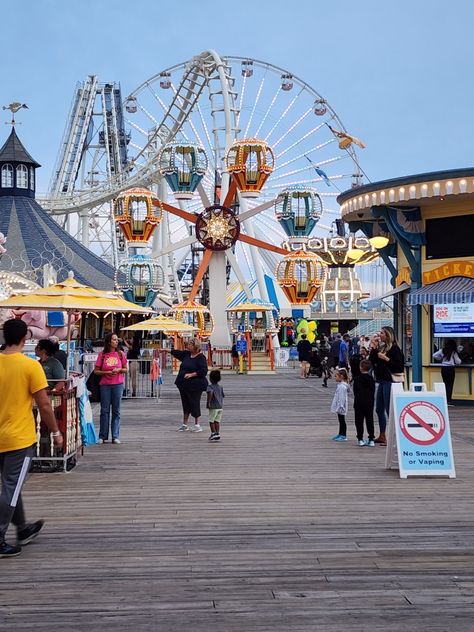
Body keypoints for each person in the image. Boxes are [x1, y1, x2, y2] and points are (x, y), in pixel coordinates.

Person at [0, 319, 63, 558]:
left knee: (9, 485)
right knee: (11, 488)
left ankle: (23, 529)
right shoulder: (30, 366)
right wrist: (55, 432)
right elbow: (44, 405)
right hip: (19, 437)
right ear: (25, 338)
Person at [369, 326, 405, 446]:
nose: (380, 335)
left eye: (382, 333)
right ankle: (383, 435)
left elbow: (399, 367)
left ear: (388, 335)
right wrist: (373, 348)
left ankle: (394, 436)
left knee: (390, 409)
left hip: (390, 381)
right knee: (379, 409)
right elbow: (371, 362)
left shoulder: (394, 349)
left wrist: (386, 359)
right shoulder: (382, 347)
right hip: (381, 381)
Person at [94, 333, 128, 444]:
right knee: (104, 410)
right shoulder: (102, 355)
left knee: (116, 410)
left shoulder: (120, 354)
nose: (116, 341)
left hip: (117, 384)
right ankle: (102, 435)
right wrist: (107, 372)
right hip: (105, 384)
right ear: (109, 341)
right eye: (114, 340)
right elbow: (96, 371)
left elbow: (125, 369)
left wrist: (119, 370)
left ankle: (115, 435)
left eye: (117, 339)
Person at [169, 339, 208, 432]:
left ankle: (197, 424)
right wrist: (165, 350)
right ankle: (184, 424)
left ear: (195, 346)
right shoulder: (187, 354)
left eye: (190, 344)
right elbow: (177, 353)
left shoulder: (200, 357)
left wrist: (192, 374)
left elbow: (203, 371)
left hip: (195, 385)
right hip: (183, 384)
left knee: (194, 402)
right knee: (185, 403)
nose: (187, 345)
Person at [353, 359, 375, 447]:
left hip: (359, 402)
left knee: (359, 421)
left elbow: (355, 391)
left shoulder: (357, 379)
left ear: (360, 368)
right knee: (370, 420)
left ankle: (360, 439)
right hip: (369, 402)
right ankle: (371, 439)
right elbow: (373, 390)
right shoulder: (371, 379)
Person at [433, 338, 461, 405]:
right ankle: (449, 401)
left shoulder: (442, 350)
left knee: (445, 384)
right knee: (450, 385)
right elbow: (458, 362)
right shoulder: (453, 352)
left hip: (443, 368)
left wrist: (440, 358)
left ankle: (445, 399)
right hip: (450, 369)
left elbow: (434, 355)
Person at [330, 368, 350, 442]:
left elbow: (342, 398)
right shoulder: (340, 385)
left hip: (341, 406)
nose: (335, 377)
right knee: (340, 420)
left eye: (336, 376)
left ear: (341, 376)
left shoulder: (342, 387)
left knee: (342, 421)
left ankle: (343, 435)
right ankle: (340, 433)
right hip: (340, 406)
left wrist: (340, 406)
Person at [207, 369, 224, 442]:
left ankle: (213, 433)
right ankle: (217, 433)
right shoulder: (220, 387)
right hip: (220, 407)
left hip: (213, 406)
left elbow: (210, 393)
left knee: (211, 421)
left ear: (210, 379)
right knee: (217, 421)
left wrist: (208, 402)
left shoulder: (210, 387)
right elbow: (223, 395)